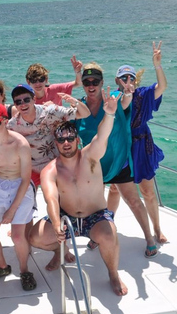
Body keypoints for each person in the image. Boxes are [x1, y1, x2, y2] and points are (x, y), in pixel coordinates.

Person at [32, 90, 129, 296]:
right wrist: (57, 223)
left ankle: (113, 273)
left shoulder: (91, 156)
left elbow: (102, 135)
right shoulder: (51, 169)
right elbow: (51, 198)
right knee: (35, 237)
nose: (66, 143)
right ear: (56, 143)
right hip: (66, 217)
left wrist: (110, 114)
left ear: (77, 140)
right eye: (61, 140)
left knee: (109, 236)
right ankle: (61, 251)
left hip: (95, 216)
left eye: (70, 138)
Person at [76, 63, 158, 258]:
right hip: (95, 166)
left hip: (119, 162)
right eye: (87, 82)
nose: (91, 85)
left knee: (133, 201)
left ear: (102, 82)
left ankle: (149, 238)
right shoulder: (79, 106)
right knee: (96, 207)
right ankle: (97, 236)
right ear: (83, 84)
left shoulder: (114, 99)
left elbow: (125, 102)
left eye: (95, 81)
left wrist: (128, 92)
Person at [111, 42, 169, 244]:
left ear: (136, 80)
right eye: (124, 78)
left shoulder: (144, 94)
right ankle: (108, 225)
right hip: (122, 146)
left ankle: (157, 229)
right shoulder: (114, 97)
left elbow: (162, 87)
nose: (128, 80)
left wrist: (157, 65)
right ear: (117, 81)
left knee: (147, 191)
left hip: (142, 145)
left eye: (131, 77)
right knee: (114, 189)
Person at [0, 104, 38, 290]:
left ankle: (25, 270)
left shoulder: (20, 144)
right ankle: (2, 267)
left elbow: (27, 179)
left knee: (18, 237)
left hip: (22, 185)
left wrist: (12, 210)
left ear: (4, 121)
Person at [8, 83, 90, 186]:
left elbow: (85, 113)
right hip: (32, 169)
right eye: (18, 102)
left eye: (26, 100)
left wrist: (75, 102)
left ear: (34, 99)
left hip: (56, 165)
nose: (23, 104)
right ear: (15, 104)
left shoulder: (51, 111)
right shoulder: (12, 126)